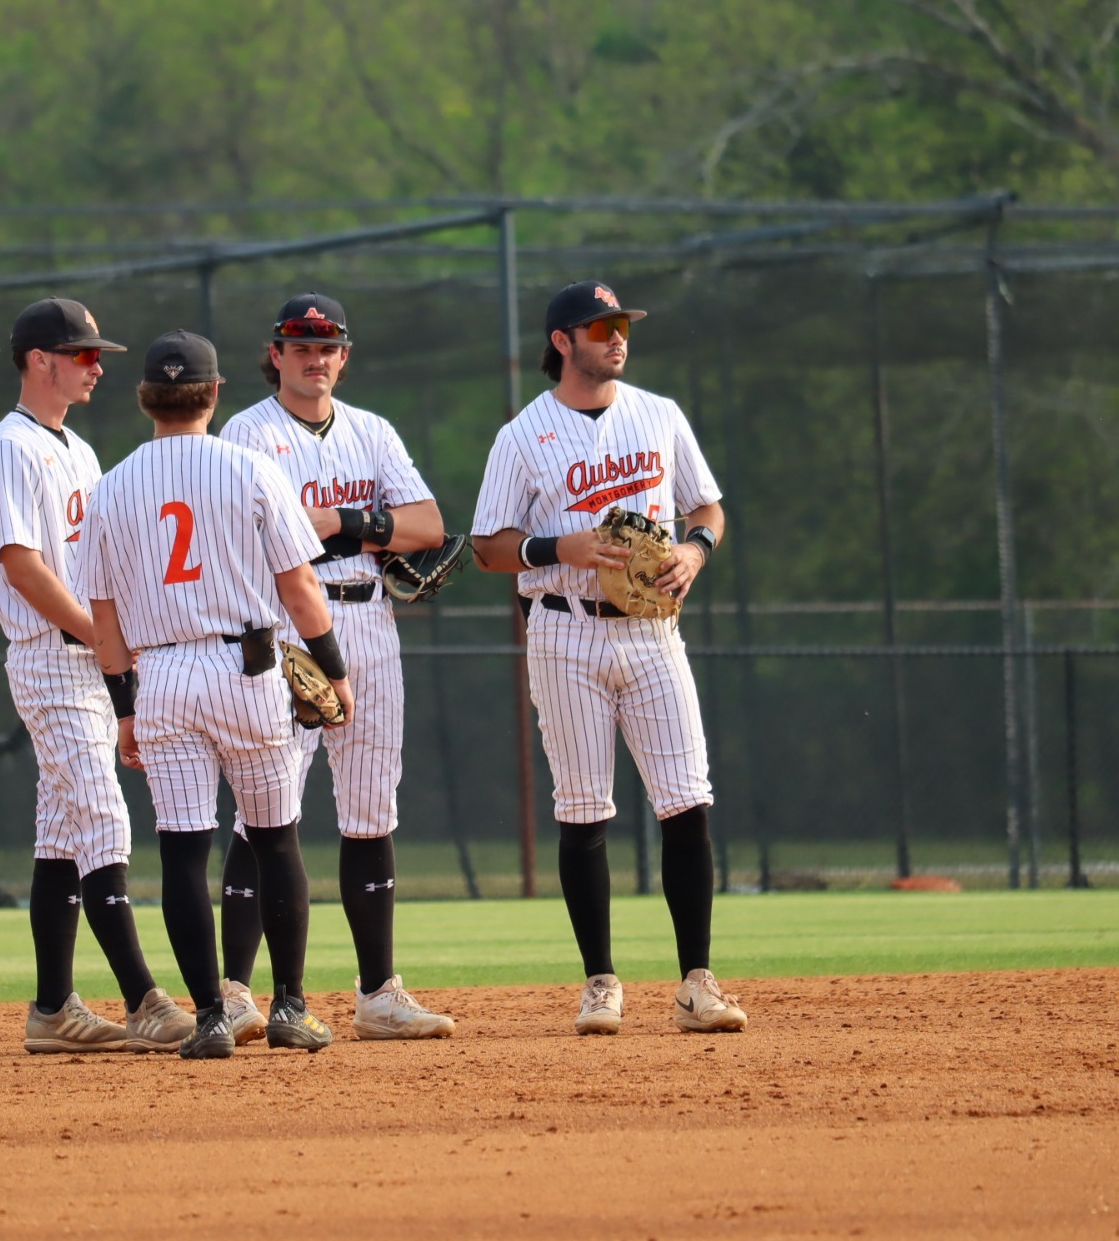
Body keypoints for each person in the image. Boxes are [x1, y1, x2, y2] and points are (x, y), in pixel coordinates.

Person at [468, 280, 748, 1036]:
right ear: (563, 341)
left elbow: (708, 506)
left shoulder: (659, 415)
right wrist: (561, 546)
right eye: (600, 326)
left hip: (653, 628)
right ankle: (601, 981)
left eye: (621, 323)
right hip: (565, 628)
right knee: (582, 808)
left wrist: (695, 549)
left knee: (687, 800)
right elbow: (488, 545)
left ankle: (698, 981)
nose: (617, 337)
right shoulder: (524, 434)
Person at [81, 330, 351, 1060]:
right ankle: (289, 1004)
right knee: (273, 838)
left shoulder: (111, 486)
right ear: (214, 392)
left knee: (181, 851)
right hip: (247, 668)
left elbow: (103, 618)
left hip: (163, 676)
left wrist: (124, 708)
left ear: (146, 399)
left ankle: (208, 1017)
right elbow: (298, 586)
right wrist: (334, 666)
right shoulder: (252, 468)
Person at [216, 293, 456, 1042]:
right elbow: (240, 534)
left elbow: (430, 524)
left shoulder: (371, 432)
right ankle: (232, 991)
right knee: (264, 805)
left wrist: (349, 523)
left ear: (343, 357)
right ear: (276, 354)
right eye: (301, 345)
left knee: (371, 808)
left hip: (370, 622)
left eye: (328, 346)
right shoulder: (246, 433)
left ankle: (378, 992)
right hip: (288, 622)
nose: (315, 358)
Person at [0, 297, 196, 1055]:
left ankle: (54, 1007)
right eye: (83, 353)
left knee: (62, 833)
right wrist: (100, 636)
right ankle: (144, 1000)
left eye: (98, 354)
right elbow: (21, 563)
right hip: (49, 655)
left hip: (88, 660)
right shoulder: (8, 448)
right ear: (40, 360)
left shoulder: (80, 451)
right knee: (104, 819)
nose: (98, 365)